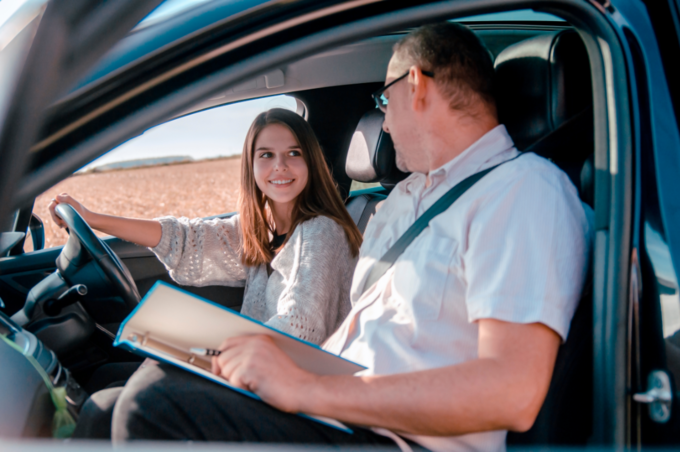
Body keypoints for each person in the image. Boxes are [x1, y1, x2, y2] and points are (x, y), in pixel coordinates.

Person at [110, 23, 593, 452]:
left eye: (383, 101)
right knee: (125, 394)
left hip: (391, 435)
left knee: (152, 404)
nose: (382, 119)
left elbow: (511, 392)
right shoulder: (403, 201)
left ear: (416, 86)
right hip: (339, 410)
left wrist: (303, 388)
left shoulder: (525, 190)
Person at [49, 108, 363, 437]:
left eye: (294, 153)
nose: (280, 166)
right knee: (105, 392)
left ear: (311, 161)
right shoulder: (262, 228)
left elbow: (298, 329)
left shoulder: (322, 232)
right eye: (266, 154)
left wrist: (201, 350)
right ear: (251, 165)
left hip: (295, 393)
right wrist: (93, 218)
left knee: (110, 408)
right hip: (259, 373)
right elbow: (187, 239)